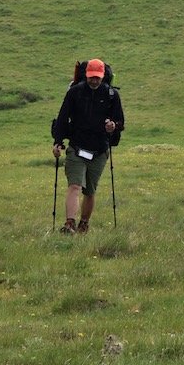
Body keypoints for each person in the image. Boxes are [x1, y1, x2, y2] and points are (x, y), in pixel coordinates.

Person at [52, 59, 124, 234]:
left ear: (102, 76)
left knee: (90, 191)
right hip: (76, 148)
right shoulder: (74, 93)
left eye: (97, 78)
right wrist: (58, 142)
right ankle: (70, 223)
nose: (94, 81)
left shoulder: (111, 95)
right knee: (74, 186)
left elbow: (121, 121)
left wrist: (113, 126)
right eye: (91, 77)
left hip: (99, 150)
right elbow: (62, 118)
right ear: (86, 75)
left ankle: (84, 224)